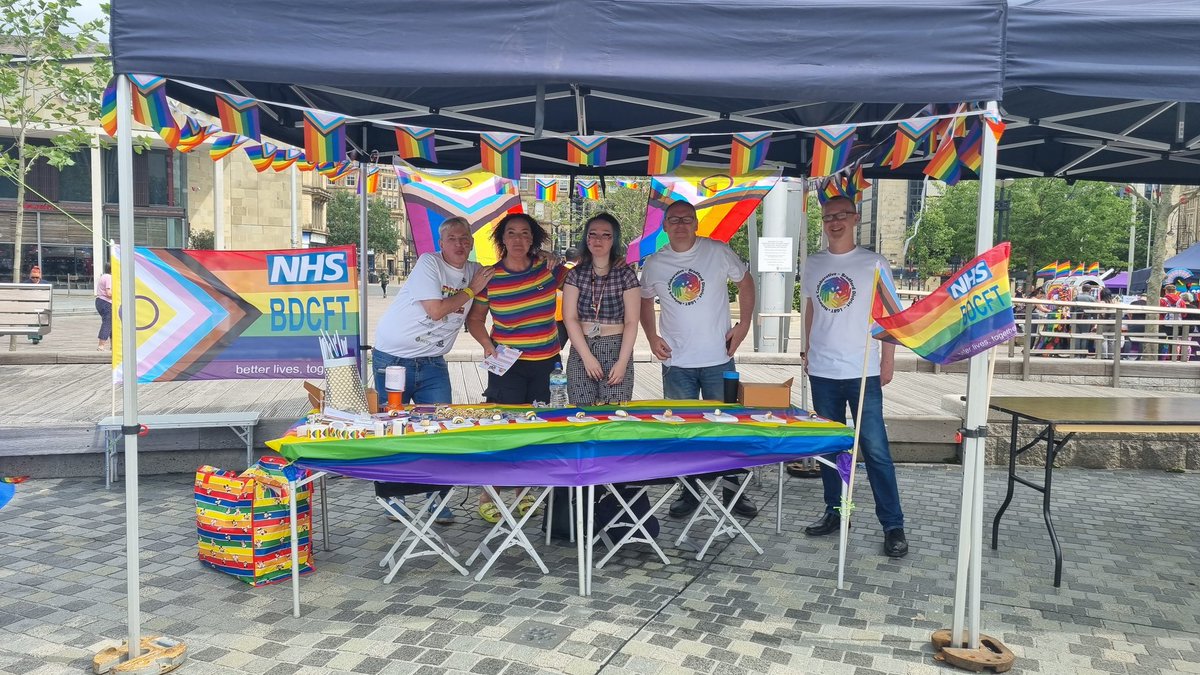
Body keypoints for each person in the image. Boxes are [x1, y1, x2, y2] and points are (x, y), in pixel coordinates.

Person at [800, 196, 908, 558]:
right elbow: (811, 309)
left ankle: (892, 524)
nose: (834, 222)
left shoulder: (873, 262)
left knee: (875, 450)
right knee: (831, 450)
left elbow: (890, 316)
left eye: (841, 216)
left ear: (855, 219)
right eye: (828, 217)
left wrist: (888, 361)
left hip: (862, 371)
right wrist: (806, 351)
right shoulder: (813, 263)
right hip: (823, 371)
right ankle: (836, 512)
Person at [639, 200, 758, 519]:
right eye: (673, 220)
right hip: (676, 363)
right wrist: (651, 337)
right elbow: (644, 301)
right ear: (664, 226)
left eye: (687, 219)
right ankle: (690, 492)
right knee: (684, 431)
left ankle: (734, 492)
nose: (680, 224)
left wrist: (744, 324)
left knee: (727, 427)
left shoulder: (717, 251)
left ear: (696, 224)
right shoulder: (654, 263)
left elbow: (745, 283)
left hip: (719, 357)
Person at [373, 217, 494, 524]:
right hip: (394, 358)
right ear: (441, 243)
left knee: (441, 429)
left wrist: (546, 259)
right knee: (394, 428)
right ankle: (393, 497)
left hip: (433, 361)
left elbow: (509, 267)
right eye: (453, 238)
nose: (460, 244)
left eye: (465, 238)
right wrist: (471, 292)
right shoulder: (429, 262)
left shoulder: (475, 270)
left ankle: (437, 499)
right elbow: (437, 310)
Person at [466, 213, 567, 523]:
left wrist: (557, 258)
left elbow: (588, 274)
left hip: (547, 365)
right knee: (502, 429)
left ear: (533, 239)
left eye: (525, 234)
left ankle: (524, 492)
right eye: (511, 233)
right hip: (507, 367)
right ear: (502, 239)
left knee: (536, 428)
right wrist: (488, 345)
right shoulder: (490, 276)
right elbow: (474, 319)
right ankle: (489, 494)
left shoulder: (548, 270)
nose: (518, 239)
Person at [563, 214, 640, 405]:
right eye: (593, 234)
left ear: (614, 240)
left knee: (615, 414)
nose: (598, 240)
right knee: (581, 413)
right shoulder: (575, 275)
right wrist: (587, 357)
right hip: (583, 348)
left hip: (616, 348)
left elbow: (631, 322)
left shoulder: (626, 275)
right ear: (586, 239)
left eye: (606, 235)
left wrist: (622, 362)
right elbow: (569, 317)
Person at [23, 266, 48, 344]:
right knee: (32, 320)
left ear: (39, 277)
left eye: (36, 277)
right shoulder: (26, 284)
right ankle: (34, 337)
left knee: (41, 320)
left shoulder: (45, 283)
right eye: (33, 277)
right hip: (30, 305)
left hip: (41, 305)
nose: (34, 279)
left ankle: (38, 336)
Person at [96, 268, 113, 351]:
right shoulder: (109, 277)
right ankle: (101, 345)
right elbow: (109, 293)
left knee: (112, 324)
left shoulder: (103, 276)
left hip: (99, 301)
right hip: (106, 302)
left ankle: (113, 346)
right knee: (108, 323)